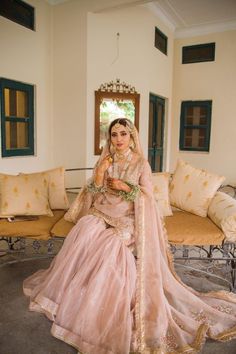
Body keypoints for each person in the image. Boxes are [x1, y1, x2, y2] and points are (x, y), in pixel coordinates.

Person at [23, 118, 236, 354]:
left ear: (132, 137)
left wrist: (126, 188)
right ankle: (76, 294)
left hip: (129, 218)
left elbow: (147, 197)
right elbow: (93, 192)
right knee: (84, 229)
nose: (118, 139)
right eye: (114, 135)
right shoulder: (105, 160)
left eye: (123, 134)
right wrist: (100, 173)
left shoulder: (141, 164)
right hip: (102, 211)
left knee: (111, 245)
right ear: (109, 138)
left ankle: (101, 303)